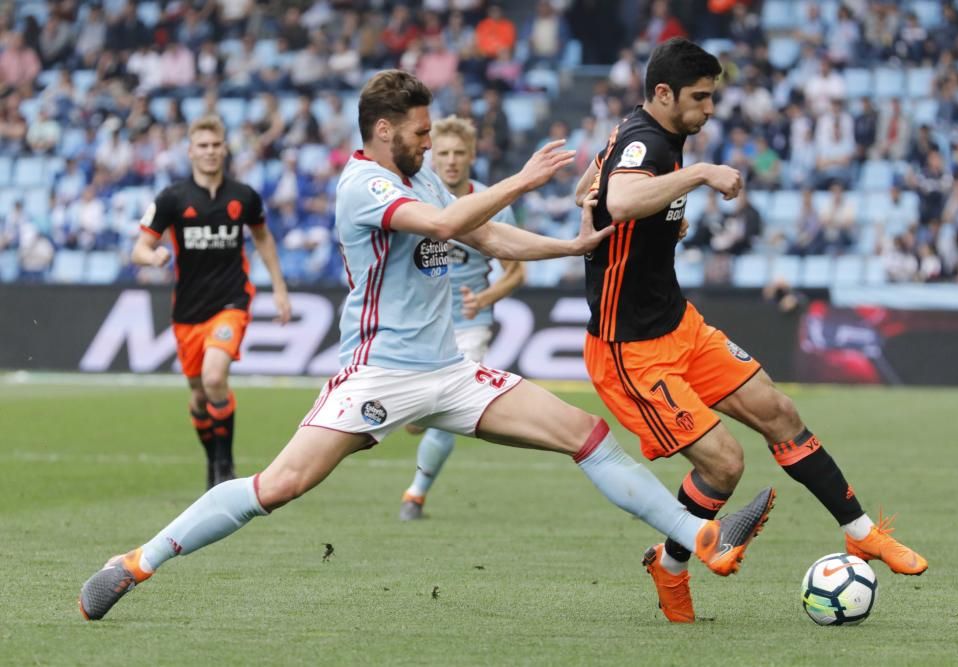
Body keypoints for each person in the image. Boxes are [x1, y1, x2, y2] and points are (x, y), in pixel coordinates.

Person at [80, 70, 775, 622]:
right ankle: (137, 560)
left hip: (451, 368)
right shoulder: (363, 184)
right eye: (418, 131)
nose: (427, 139)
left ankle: (699, 536)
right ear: (384, 130)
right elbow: (447, 218)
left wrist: (570, 244)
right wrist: (521, 181)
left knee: (585, 433)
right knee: (278, 486)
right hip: (379, 374)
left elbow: (487, 237)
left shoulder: (419, 175)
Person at [573, 39, 926, 624]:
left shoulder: (643, 135)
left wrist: (610, 215)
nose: (710, 108)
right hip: (629, 349)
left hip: (680, 326)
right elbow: (623, 195)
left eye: (712, 96)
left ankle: (860, 532)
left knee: (779, 413)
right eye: (700, 98)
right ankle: (672, 567)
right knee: (724, 465)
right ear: (663, 95)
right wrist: (701, 176)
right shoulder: (646, 140)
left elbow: (593, 190)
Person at [131, 114, 291, 490]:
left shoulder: (244, 196)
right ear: (190, 151)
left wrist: (279, 288)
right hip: (188, 310)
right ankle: (212, 464)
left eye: (216, 145)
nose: (210, 152)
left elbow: (264, 239)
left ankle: (225, 467)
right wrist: (152, 258)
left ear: (225, 148)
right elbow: (139, 247)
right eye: (202, 146)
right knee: (200, 397)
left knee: (215, 376)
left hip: (231, 300)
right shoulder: (172, 198)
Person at [399, 115, 525, 521]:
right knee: (418, 419)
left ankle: (414, 496)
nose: (451, 161)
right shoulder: (416, 200)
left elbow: (517, 271)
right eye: (444, 153)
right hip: (423, 323)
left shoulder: (490, 206)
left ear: (472, 156)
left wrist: (484, 297)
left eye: (459, 153)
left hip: (471, 325)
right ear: (433, 156)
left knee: (447, 412)